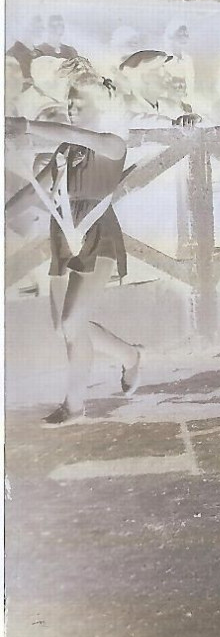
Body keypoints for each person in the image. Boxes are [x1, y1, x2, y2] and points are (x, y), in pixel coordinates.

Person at [4, 69, 144, 423]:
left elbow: (71, 132)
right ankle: (129, 355)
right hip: (64, 237)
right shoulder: (66, 152)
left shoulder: (113, 143)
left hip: (97, 235)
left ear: (102, 107)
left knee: (71, 322)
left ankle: (74, 405)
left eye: (79, 102)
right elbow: (33, 190)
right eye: (68, 101)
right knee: (67, 326)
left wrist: (25, 125)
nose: (70, 107)